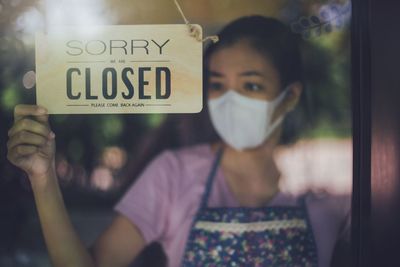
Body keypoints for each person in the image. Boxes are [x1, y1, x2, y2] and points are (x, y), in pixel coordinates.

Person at [7, 16, 350, 267]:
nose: (230, 100)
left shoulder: (333, 193)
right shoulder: (173, 174)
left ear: (290, 96)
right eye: (217, 85)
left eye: (251, 85)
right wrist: (43, 176)